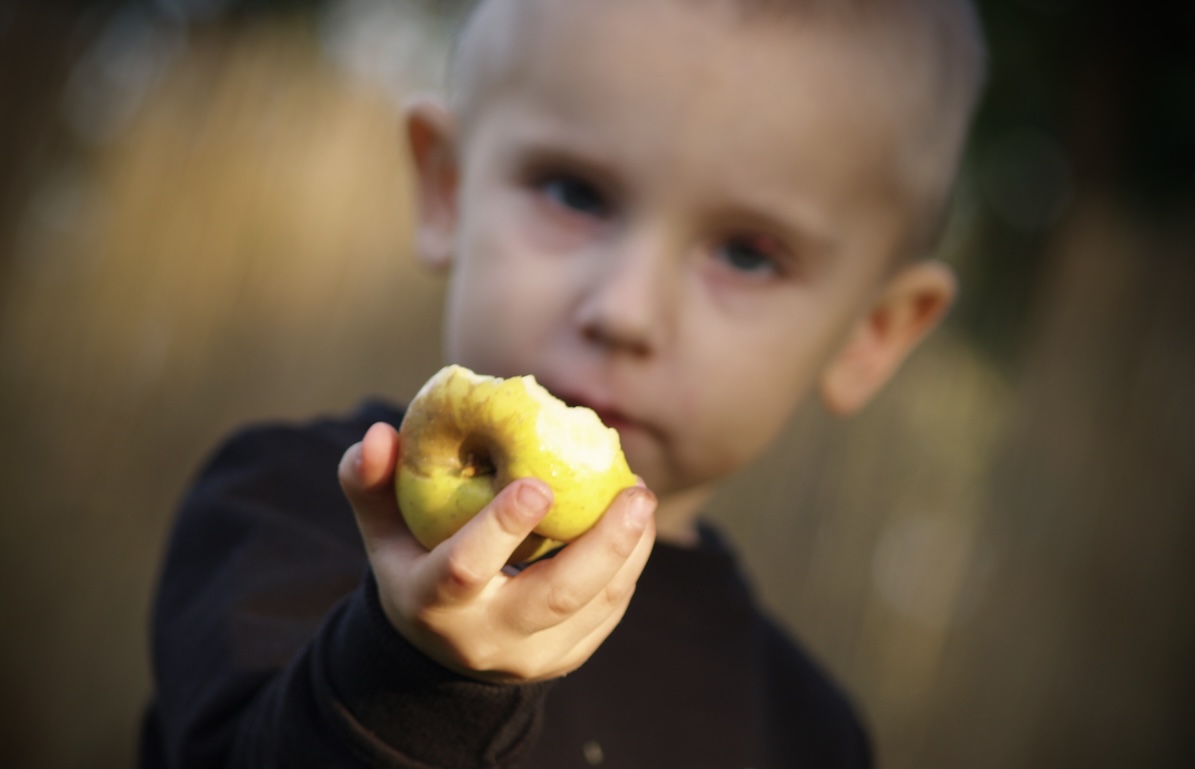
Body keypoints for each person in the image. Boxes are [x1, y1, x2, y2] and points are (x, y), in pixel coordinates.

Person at [140, 0, 986, 766]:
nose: (624, 309)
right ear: (447, 188)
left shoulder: (809, 732)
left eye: (745, 254)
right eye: (575, 193)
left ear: (869, 333)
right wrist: (414, 676)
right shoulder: (279, 505)